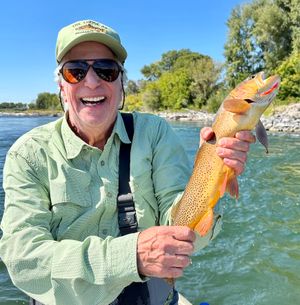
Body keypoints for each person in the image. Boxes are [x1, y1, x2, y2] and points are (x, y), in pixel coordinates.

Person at [0, 20, 255, 305]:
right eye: (76, 72)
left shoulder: (155, 133)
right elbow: (23, 259)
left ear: (122, 82)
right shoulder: (29, 154)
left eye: (106, 70)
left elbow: (187, 233)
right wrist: (130, 255)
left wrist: (210, 173)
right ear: (61, 85)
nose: (93, 81)